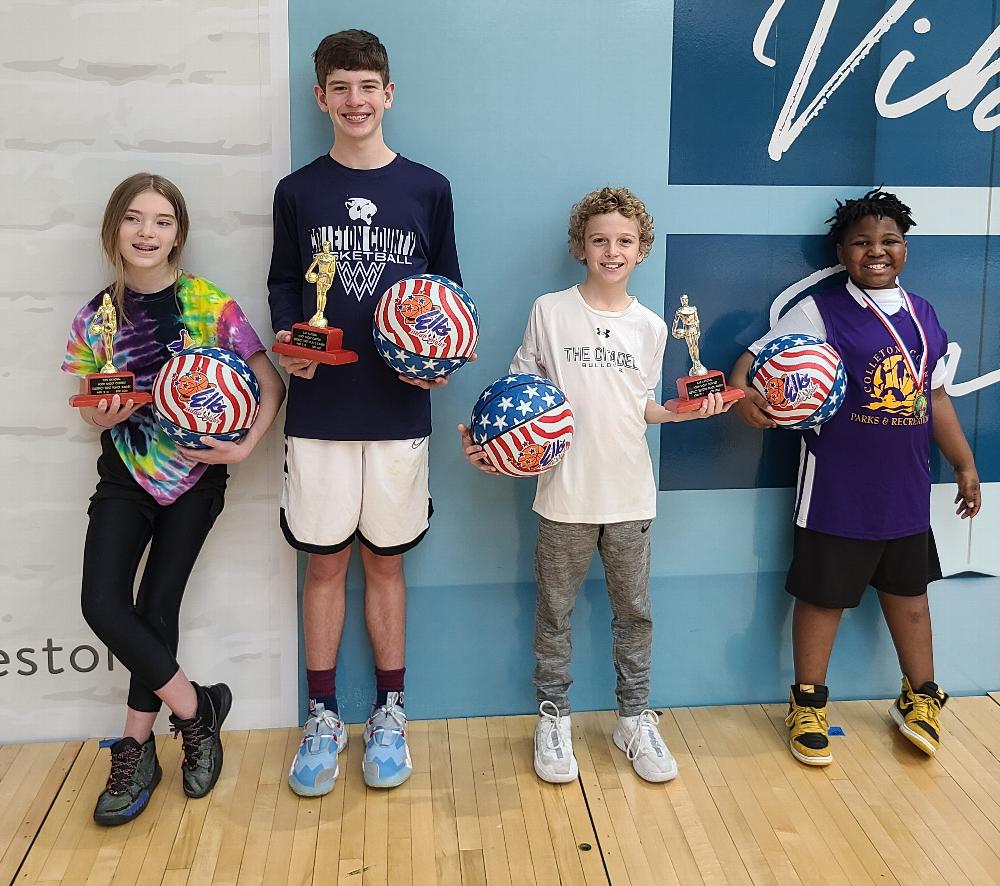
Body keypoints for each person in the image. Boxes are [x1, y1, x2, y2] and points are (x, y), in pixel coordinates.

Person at [459, 187, 730, 783]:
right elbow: (516, 396)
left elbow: (645, 408)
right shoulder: (549, 311)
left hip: (630, 497)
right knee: (554, 612)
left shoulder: (653, 327)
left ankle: (633, 718)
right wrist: (486, 440)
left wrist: (681, 413)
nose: (612, 251)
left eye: (625, 241)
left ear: (642, 250)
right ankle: (553, 718)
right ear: (580, 246)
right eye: (600, 240)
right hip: (563, 497)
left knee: (634, 613)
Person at [267, 29, 463, 796]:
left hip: (398, 408)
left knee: (385, 561)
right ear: (321, 97)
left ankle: (389, 713)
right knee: (325, 562)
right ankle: (322, 718)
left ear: (389, 94)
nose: (355, 100)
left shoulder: (428, 188)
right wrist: (290, 342)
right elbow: (286, 283)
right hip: (319, 406)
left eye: (368, 86)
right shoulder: (297, 191)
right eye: (340, 88)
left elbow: (449, 288)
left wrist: (443, 353)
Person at [62, 172, 285, 825]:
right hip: (125, 474)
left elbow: (269, 381)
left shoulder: (210, 306)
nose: (147, 232)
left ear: (178, 234)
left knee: (157, 608)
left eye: (161, 221)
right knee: (102, 603)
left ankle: (135, 745)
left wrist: (244, 447)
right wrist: (100, 418)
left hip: (195, 478)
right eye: (134, 219)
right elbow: (89, 406)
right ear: (115, 229)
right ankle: (196, 710)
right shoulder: (97, 316)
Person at [729, 189, 981, 766]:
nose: (877, 250)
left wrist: (964, 464)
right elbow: (755, 358)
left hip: (906, 490)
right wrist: (745, 395)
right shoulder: (819, 311)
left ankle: (920, 697)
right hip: (836, 490)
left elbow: (934, 396)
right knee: (823, 599)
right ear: (841, 252)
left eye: (889, 240)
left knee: (910, 597)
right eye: (862, 241)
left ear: (905, 250)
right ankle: (808, 703)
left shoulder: (924, 315)